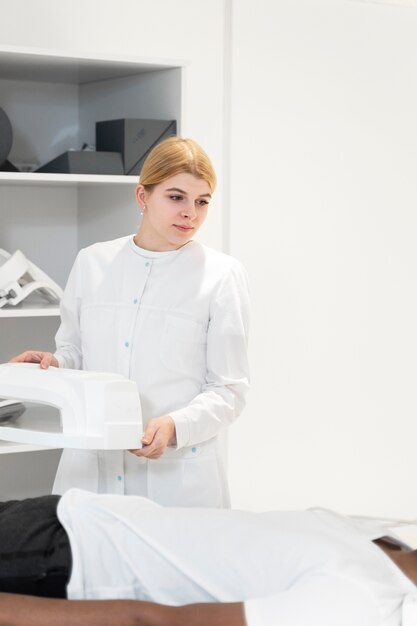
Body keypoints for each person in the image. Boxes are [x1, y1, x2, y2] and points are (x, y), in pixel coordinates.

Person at [10, 137, 250, 507]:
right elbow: (75, 353)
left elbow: (228, 391)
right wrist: (52, 364)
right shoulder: (92, 263)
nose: (191, 213)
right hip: (91, 474)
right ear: (142, 197)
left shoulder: (220, 276)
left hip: (176, 481)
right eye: (176, 197)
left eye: (202, 201)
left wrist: (176, 427)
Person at [0, 489, 417, 626]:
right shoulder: (384, 539)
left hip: (60, 562)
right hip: (69, 519)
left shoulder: (358, 603)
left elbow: (153, 622)